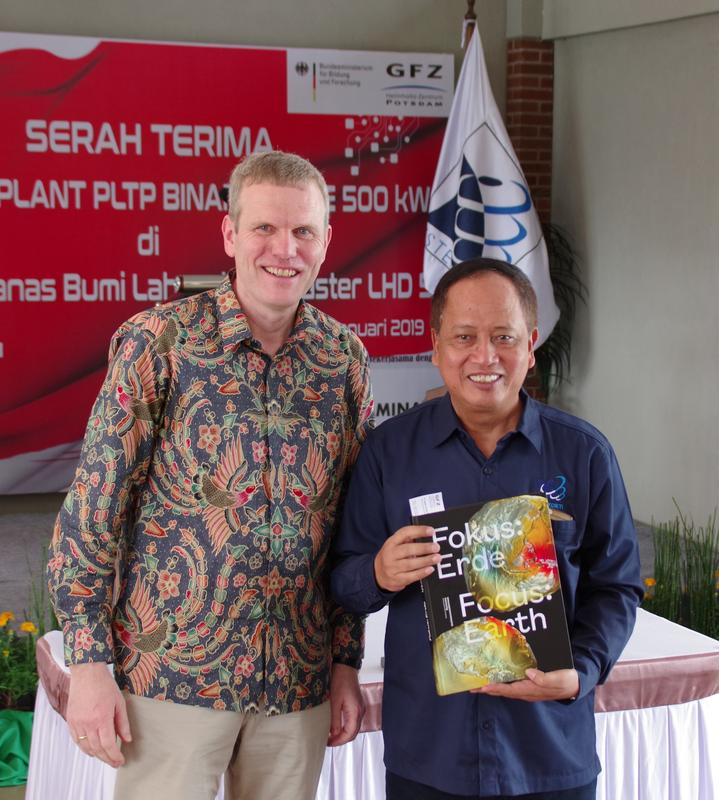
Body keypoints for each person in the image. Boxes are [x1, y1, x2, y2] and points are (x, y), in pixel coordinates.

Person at [48, 150, 374, 800]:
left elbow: (350, 527)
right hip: (171, 681)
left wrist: (344, 662)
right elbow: (91, 517)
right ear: (230, 234)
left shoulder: (343, 360)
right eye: (264, 229)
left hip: (296, 682)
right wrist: (87, 666)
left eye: (302, 231)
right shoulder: (158, 344)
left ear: (325, 242)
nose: (284, 249)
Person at [331, 258, 643, 800]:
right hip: (429, 757)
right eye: (464, 337)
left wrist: (583, 670)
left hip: (548, 756)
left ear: (532, 343)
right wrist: (379, 572)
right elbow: (342, 581)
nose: (484, 356)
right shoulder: (389, 453)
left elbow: (617, 586)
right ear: (436, 347)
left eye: (504, 336)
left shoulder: (585, 454)